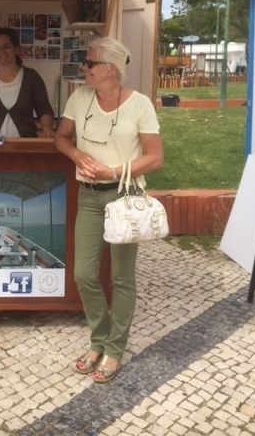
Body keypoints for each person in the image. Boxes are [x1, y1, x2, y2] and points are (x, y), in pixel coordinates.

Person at [55, 37, 163, 383]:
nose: (83, 68)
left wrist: (114, 171)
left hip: (124, 196)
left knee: (121, 277)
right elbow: (61, 138)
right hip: (88, 195)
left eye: (90, 63)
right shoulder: (79, 97)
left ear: (111, 69)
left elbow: (155, 157)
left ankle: (114, 348)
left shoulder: (140, 104)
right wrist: (77, 156)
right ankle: (98, 339)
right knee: (83, 274)